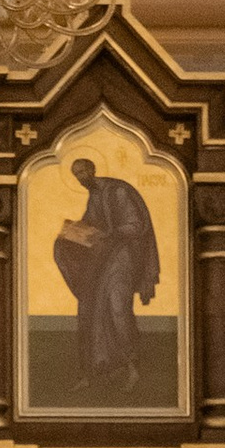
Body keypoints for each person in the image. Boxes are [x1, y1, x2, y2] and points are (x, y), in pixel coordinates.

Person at [51, 157, 160, 399]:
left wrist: (109, 233)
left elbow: (135, 225)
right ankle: (92, 372)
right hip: (103, 257)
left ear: (92, 169)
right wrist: (72, 233)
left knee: (117, 306)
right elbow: (91, 223)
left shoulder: (117, 191)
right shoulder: (94, 196)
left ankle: (131, 368)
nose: (79, 178)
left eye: (81, 172)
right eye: (75, 175)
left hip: (122, 256)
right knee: (89, 309)